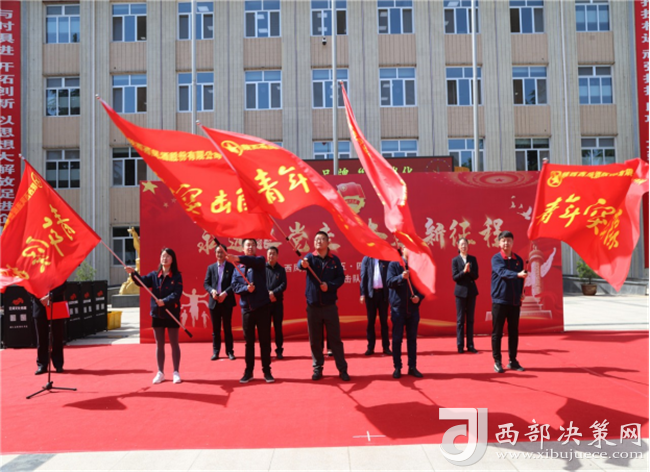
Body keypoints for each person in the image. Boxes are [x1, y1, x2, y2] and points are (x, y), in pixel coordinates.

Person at [126, 248, 183, 384]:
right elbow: (141, 282)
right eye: (163, 256)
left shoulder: (176, 276)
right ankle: (160, 372)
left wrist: (165, 301)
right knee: (159, 344)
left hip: (171, 313)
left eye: (167, 256)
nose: (164, 258)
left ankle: (176, 372)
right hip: (157, 314)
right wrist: (133, 273)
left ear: (172, 259)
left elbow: (177, 294)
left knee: (174, 343)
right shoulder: (154, 276)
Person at [298, 231, 349, 381]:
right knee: (315, 340)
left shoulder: (334, 260)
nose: (318, 241)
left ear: (328, 242)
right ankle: (317, 368)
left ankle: (342, 369)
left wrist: (329, 285)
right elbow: (300, 265)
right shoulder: (310, 258)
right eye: (316, 239)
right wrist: (302, 264)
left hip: (329, 306)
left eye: (321, 239)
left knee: (335, 340)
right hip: (313, 306)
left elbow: (341, 278)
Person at [227, 238, 274, 384]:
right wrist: (246, 289)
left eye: (253, 245)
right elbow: (234, 286)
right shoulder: (238, 268)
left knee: (265, 340)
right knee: (249, 342)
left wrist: (237, 257)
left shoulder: (259, 261)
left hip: (262, 307)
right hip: (247, 309)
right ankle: (249, 371)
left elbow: (252, 261)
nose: (250, 247)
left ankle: (267, 370)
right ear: (243, 248)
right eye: (248, 245)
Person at [490, 230, 528, 374]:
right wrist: (517, 274)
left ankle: (513, 361)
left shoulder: (518, 260)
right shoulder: (496, 259)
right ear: (499, 243)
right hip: (500, 300)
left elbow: (521, 280)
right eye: (503, 240)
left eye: (509, 240)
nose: (506, 243)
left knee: (513, 332)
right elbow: (502, 272)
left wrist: (522, 293)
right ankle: (497, 361)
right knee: (497, 333)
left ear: (512, 242)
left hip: (514, 302)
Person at [387, 246, 424, 379]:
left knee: (412, 339)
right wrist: (401, 277)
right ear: (403, 249)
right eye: (408, 247)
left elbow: (423, 286)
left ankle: (412, 367)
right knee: (397, 339)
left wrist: (419, 297)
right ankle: (397, 367)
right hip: (398, 309)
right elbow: (389, 282)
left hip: (412, 309)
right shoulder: (394, 264)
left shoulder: (417, 266)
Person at [203, 243, 237, 361]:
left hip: (226, 301)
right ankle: (216, 351)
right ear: (215, 254)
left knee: (227, 328)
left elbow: (234, 284)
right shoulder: (211, 268)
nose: (220, 254)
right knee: (215, 329)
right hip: (214, 302)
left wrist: (225, 293)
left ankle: (230, 352)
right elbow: (206, 283)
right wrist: (212, 291)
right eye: (218, 252)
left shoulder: (231, 267)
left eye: (222, 252)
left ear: (226, 254)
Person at [32, 282, 67, 375]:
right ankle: (42, 364)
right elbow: (29, 287)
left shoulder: (57, 272)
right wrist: (40, 298)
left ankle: (58, 364)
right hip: (39, 305)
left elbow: (63, 285)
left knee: (57, 336)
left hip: (56, 303)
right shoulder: (33, 272)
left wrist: (50, 296)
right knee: (41, 337)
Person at [452, 237, 479, 353]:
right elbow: (455, 277)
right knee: (460, 320)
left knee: (470, 320)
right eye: (462, 244)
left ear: (468, 246)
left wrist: (469, 271)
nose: (464, 246)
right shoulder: (455, 260)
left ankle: (470, 345)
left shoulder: (473, 259)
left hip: (471, 292)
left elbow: (476, 275)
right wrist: (463, 271)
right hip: (460, 293)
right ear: (458, 246)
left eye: (465, 244)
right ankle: (460, 345)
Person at [360, 256, 391, 356]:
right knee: (371, 322)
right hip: (371, 295)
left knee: (384, 322)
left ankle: (386, 347)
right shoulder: (367, 259)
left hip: (383, 295)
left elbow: (390, 277)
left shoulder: (385, 259)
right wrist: (362, 294)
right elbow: (363, 276)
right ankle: (370, 347)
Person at [266, 246, 287, 359]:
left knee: (278, 327)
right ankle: (267, 350)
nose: (271, 256)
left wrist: (273, 293)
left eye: (273, 253)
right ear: (267, 255)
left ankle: (279, 350)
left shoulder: (281, 269)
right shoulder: (262, 269)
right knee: (266, 328)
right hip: (265, 303)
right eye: (269, 253)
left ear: (277, 256)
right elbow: (259, 284)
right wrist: (268, 294)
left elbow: (284, 285)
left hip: (277, 302)